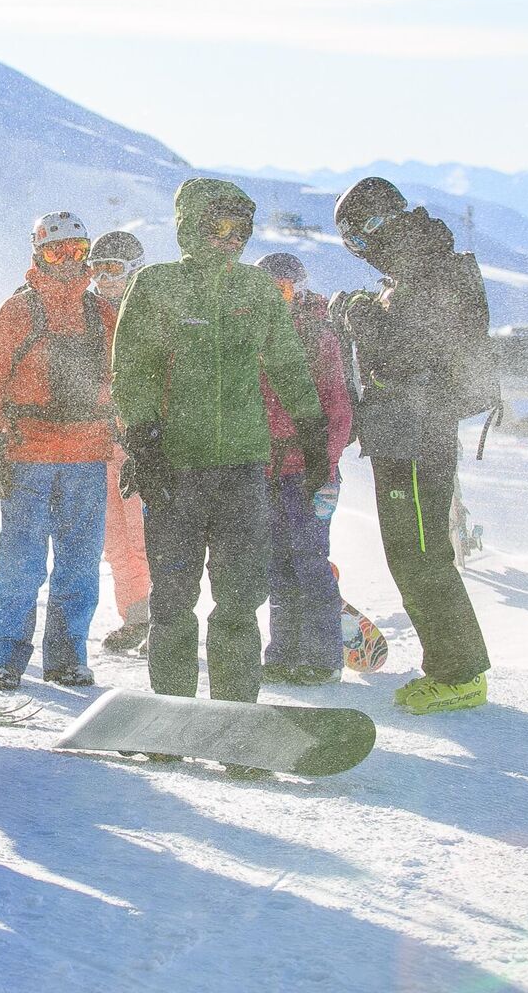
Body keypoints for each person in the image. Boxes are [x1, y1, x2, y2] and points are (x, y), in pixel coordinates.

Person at [112, 180, 326, 767]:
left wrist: (310, 429)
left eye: (240, 229)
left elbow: (286, 360)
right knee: (175, 601)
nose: (229, 240)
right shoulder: (156, 286)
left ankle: (235, 719)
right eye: (217, 227)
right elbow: (131, 366)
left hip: (243, 469)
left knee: (238, 602)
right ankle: (174, 718)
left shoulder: (257, 290)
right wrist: (143, 437)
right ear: (190, 226)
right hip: (175, 470)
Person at [331, 176, 494, 714]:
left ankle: (458, 671)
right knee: (411, 554)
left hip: (418, 436)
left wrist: (362, 316)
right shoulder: (420, 266)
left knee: (422, 555)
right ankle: (453, 667)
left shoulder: (430, 271)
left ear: (379, 224)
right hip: (404, 433)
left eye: (359, 239)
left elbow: (409, 356)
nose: (362, 252)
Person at [0, 211, 117, 691]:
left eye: (78, 251)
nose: (69, 261)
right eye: (58, 251)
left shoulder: (102, 314)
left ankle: (68, 656)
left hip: (87, 455)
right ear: (38, 253)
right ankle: (7, 655)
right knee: (21, 560)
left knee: (79, 560)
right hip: (28, 454)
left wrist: (133, 438)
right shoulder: (20, 310)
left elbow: (127, 382)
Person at [252, 252, 354, 685]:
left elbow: (337, 403)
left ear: (301, 289)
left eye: (286, 290)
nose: (279, 299)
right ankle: (283, 649)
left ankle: (322, 653)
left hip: (307, 468)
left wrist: (323, 461)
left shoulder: (316, 332)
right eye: (269, 291)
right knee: (276, 562)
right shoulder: (252, 333)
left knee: (309, 559)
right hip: (266, 467)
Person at [86, 231, 151, 653]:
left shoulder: (148, 309)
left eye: (114, 270)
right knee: (115, 538)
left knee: (146, 533)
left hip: (142, 440)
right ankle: (136, 615)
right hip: (99, 441)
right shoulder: (87, 311)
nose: (105, 279)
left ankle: (166, 615)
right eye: (98, 270)